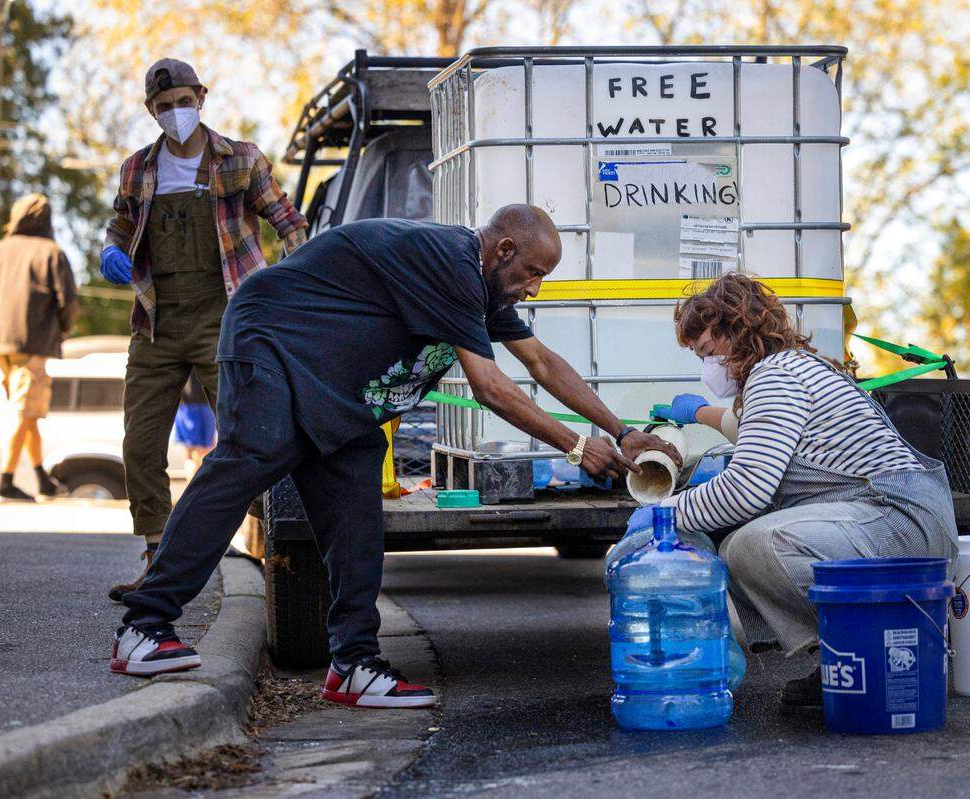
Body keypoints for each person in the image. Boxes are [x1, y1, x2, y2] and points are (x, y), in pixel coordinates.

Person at [110, 204, 682, 710]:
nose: (534, 287)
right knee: (247, 463)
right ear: (503, 249)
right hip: (273, 341)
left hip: (338, 387)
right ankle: (145, 626)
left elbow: (541, 362)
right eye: (533, 272)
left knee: (356, 515)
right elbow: (490, 386)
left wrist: (619, 430)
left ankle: (353, 666)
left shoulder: (484, 286)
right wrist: (578, 447)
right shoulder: (452, 263)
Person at [643, 273, 957, 707]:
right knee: (743, 542)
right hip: (896, 517)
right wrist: (698, 413)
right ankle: (846, 660)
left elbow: (747, 488)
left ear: (738, 331)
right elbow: (754, 430)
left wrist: (665, 512)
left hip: (896, 521)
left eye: (709, 352)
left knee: (757, 544)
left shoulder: (775, 377)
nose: (707, 367)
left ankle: (882, 646)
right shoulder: (790, 369)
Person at [101, 58, 307, 601]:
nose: (176, 114)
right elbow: (121, 222)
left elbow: (290, 224)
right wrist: (111, 249)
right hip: (156, 321)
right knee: (140, 444)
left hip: (228, 320)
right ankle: (156, 556)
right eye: (164, 107)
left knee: (251, 436)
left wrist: (289, 284)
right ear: (151, 111)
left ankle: (279, 549)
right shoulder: (137, 169)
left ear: (202, 97)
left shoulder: (240, 160)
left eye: (183, 102)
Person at [0, 193, 78, 501]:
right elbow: (68, 302)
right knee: (23, 413)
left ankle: (41, 480)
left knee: (29, 412)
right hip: (32, 344)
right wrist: (61, 330)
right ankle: (5, 483)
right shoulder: (52, 252)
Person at [173, 373, 217, 475]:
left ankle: (195, 486)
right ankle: (197, 486)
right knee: (202, 452)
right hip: (197, 402)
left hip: (188, 401)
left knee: (194, 453)